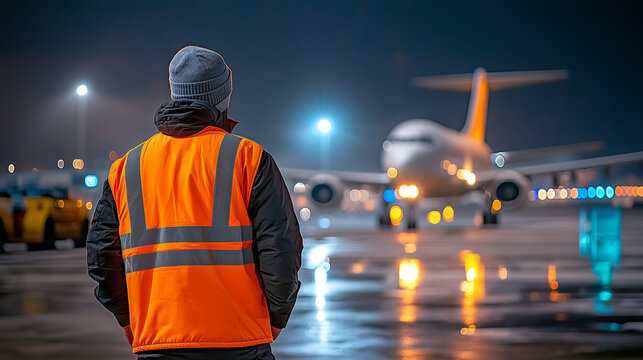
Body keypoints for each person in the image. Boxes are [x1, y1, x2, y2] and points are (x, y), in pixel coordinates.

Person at [87, 45, 303, 360]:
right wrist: (276, 317)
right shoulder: (249, 158)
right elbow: (281, 250)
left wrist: (129, 318)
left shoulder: (126, 167)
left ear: (175, 93)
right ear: (224, 97)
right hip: (241, 341)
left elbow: (101, 257)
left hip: (158, 340)